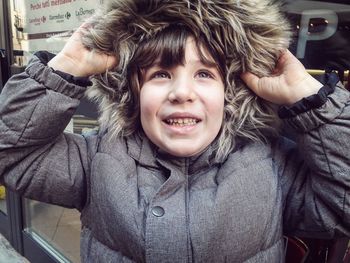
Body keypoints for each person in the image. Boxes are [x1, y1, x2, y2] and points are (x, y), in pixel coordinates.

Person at [0, 0, 349, 262]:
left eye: (205, 74)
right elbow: (13, 154)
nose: (181, 92)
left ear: (233, 93)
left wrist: (311, 99)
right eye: (160, 74)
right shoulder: (96, 160)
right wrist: (66, 69)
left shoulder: (273, 166)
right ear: (132, 94)